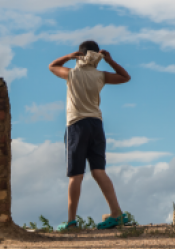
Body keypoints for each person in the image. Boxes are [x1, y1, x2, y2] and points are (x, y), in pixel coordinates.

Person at [49, 41, 131, 231]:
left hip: (76, 125)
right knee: (98, 171)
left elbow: (52, 66)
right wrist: (109, 60)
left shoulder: (71, 74)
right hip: (96, 124)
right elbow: (125, 77)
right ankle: (116, 214)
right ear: (97, 57)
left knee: (75, 175)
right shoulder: (100, 75)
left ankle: (71, 221)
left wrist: (68, 57)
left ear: (81, 54)